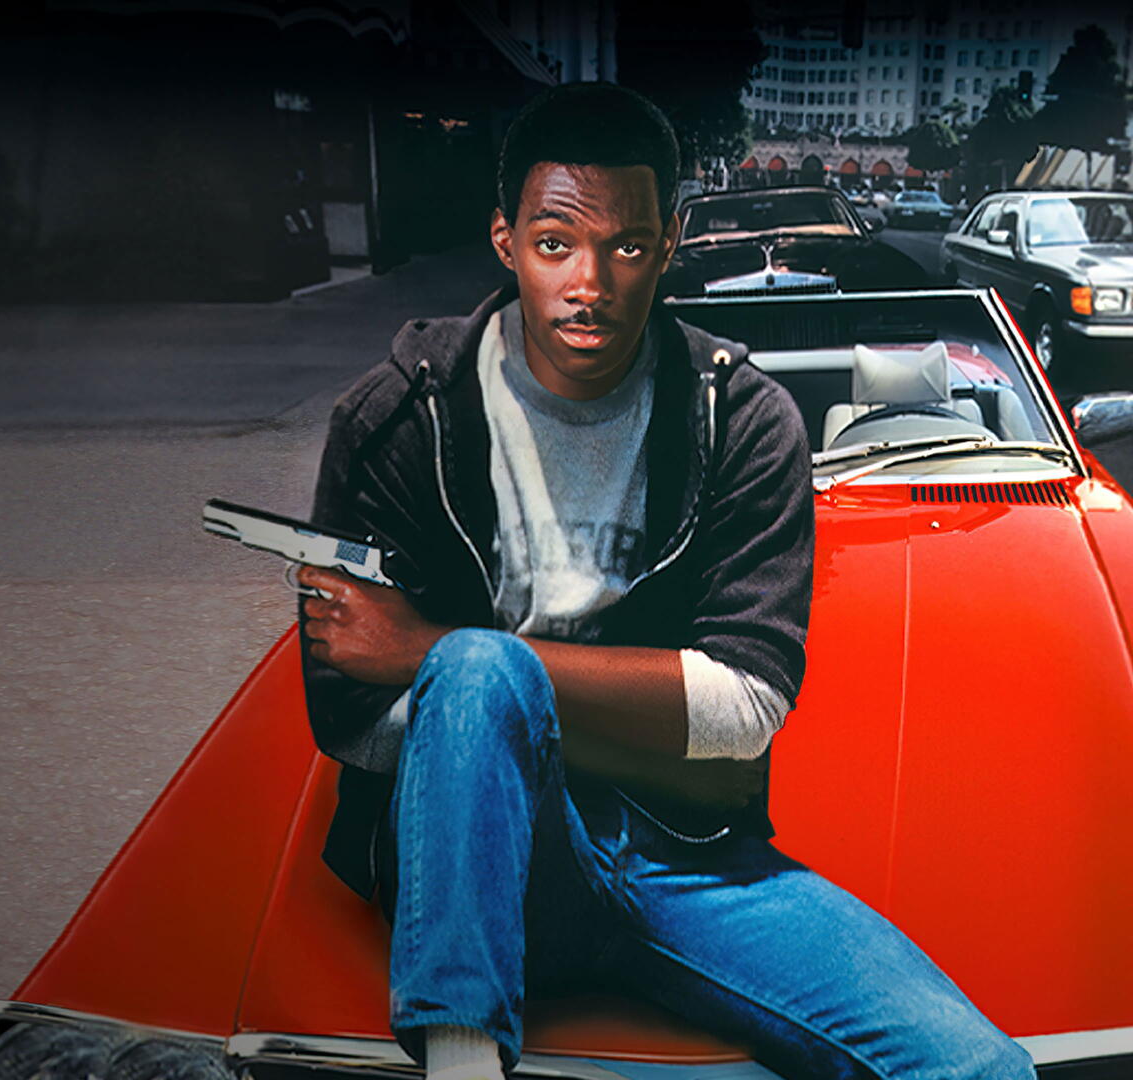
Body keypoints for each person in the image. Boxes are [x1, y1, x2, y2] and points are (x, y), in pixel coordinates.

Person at [293, 83, 1032, 1080]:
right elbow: (346, 716)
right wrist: (492, 703)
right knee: (476, 675)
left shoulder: (742, 421)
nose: (590, 283)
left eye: (628, 247)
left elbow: (747, 705)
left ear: (669, 245)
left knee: (978, 1067)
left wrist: (426, 656)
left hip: (689, 857)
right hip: (489, 872)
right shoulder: (396, 420)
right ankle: (462, 1063)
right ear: (506, 241)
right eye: (555, 244)